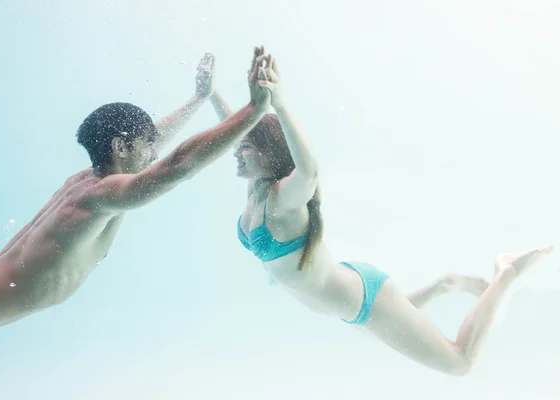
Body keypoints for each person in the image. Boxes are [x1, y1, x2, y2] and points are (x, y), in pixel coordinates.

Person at [216, 53, 553, 376]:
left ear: (268, 152)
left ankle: (506, 271)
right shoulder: (257, 187)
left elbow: (311, 171)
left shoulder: (284, 199)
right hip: (349, 301)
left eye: (246, 147)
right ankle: (441, 285)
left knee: (459, 362)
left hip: (364, 302)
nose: (237, 152)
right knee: (397, 318)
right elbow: (237, 133)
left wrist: (281, 105)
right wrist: (211, 94)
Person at [0, 46, 272, 352]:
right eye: (146, 144)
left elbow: (154, 147)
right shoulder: (101, 194)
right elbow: (178, 166)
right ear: (120, 149)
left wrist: (199, 98)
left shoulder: (86, 182)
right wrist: (253, 111)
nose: (153, 153)